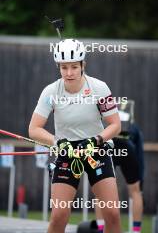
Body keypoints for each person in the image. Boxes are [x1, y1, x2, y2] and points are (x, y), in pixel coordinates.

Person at [29, 38, 122, 233]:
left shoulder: (99, 88)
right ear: (58, 67)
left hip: (95, 149)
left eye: (74, 67)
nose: (69, 73)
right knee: (59, 216)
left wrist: (96, 140)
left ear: (83, 65)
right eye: (64, 68)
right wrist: (57, 142)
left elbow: (115, 125)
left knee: (112, 213)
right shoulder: (51, 91)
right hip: (67, 152)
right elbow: (34, 129)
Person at [95, 102, 144, 233]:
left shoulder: (101, 115)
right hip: (127, 147)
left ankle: (100, 229)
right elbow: (138, 143)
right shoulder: (129, 120)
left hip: (108, 146)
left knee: (100, 192)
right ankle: (136, 231)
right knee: (135, 191)